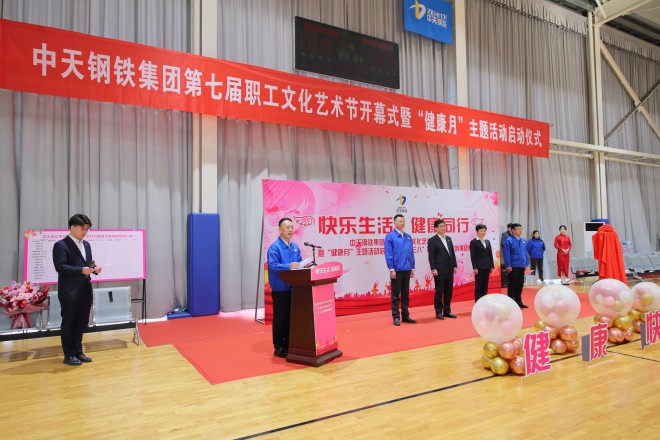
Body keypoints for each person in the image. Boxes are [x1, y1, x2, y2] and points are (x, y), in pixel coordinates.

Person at [52, 214, 102, 366]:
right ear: (72, 227)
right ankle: (69, 355)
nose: (84, 232)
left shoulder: (86, 244)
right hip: (69, 291)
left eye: (87, 229)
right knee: (69, 322)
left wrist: (94, 269)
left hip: (84, 289)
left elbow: (88, 263)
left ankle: (78, 352)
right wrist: (81, 270)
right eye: (82, 229)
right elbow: (61, 267)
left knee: (81, 322)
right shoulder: (61, 245)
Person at [267, 217, 305, 358]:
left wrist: (304, 265)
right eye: (287, 227)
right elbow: (272, 266)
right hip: (281, 289)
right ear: (280, 230)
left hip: (294, 288)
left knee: (291, 318)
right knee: (280, 318)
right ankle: (278, 347)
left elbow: (299, 262)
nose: (290, 230)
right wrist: (289, 266)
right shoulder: (275, 247)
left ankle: (289, 343)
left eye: (292, 227)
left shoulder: (295, 246)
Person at [385, 214, 416, 326]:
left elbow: (411, 253)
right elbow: (388, 253)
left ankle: (406, 315)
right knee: (395, 295)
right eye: (399, 221)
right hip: (397, 269)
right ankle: (396, 316)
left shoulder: (408, 237)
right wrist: (391, 268)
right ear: (394, 222)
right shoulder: (390, 237)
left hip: (407, 268)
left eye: (403, 221)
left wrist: (412, 267)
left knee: (405, 294)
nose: (402, 223)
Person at [428, 219, 458, 319]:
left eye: (444, 226)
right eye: (441, 226)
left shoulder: (448, 238)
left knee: (449, 291)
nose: (443, 228)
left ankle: (447, 311)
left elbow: (452, 253)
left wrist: (454, 265)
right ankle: (438, 312)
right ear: (436, 228)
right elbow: (431, 256)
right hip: (439, 270)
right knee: (439, 291)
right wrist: (433, 268)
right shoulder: (432, 240)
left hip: (449, 269)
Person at [503, 223, 529, 308]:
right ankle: (511, 302)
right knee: (512, 285)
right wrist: (508, 265)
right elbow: (506, 254)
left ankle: (519, 301)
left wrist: (526, 263)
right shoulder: (508, 240)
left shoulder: (523, 240)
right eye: (518, 229)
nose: (520, 231)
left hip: (522, 265)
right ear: (512, 230)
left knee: (520, 284)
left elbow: (525, 253)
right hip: (513, 266)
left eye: (521, 229)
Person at [469, 224, 495, 302]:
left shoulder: (487, 241)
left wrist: (492, 266)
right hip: (479, 267)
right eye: (481, 231)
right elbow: (473, 256)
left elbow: (490, 254)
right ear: (477, 232)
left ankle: (484, 301)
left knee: (485, 285)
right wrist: (475, 267)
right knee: (478, 286)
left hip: (487, 267)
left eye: (484, 231)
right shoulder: (473, 242)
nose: (483, 232)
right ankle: (478, 302)